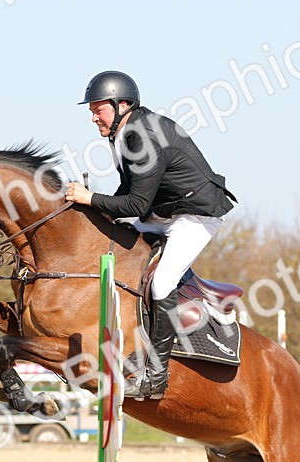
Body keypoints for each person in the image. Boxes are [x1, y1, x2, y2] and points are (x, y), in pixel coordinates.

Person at [65, 70, 235, 399]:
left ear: (122, 104)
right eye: (91, 111)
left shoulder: (142, 136)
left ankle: (156, 375)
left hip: (194, 217)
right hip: (161, 214)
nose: (93, 118)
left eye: (98, 110)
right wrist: (97, 210)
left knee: (162, 283)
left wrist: (90, 199)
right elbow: (129, 191)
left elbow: (136, 202)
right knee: (115, 245)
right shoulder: (124, 133)